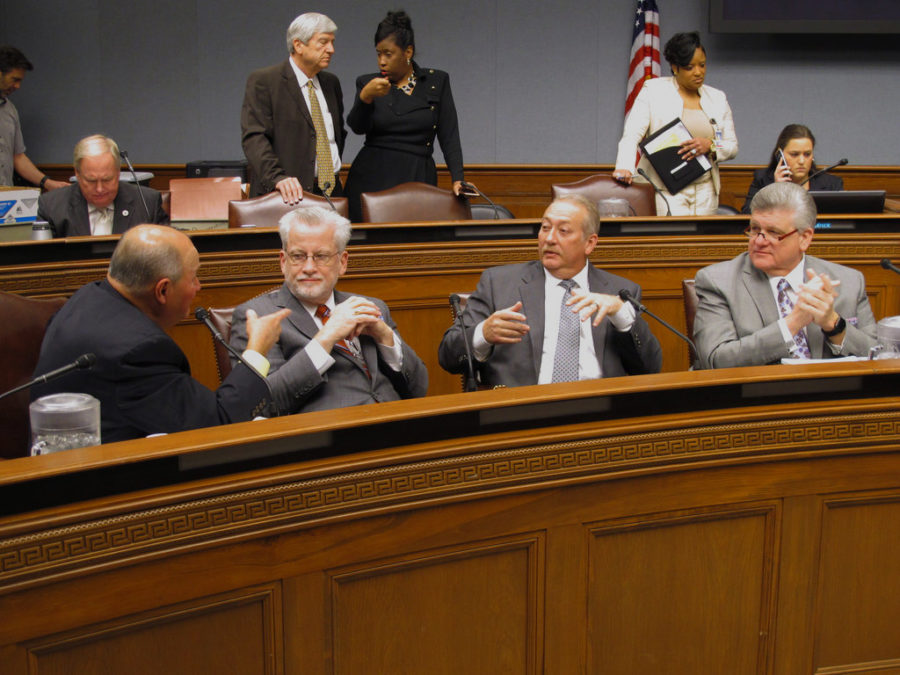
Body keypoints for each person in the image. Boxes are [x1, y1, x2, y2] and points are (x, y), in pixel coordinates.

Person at [31, 225, 291, 443]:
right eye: (193, 278)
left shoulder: (89, 295)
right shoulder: (137, 351)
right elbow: (220, 422)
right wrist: (257, 350)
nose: (199, 287)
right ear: (163, 291)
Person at [438, 195, 662, 387]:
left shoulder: (619, 292)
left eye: (563, 231)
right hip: (522, 412)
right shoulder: (498, 283)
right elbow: (448, 357)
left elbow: (649, 367)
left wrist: (621, 314)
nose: (550, 238)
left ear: (590, 243)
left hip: (599, 414)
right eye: (545, 228)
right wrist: (482, 334)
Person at [229, 205, 428, 414]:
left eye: (321, 256)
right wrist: (325, 338)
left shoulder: (372, 307)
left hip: (396, 426)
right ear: (283, 261)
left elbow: (419, 388)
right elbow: (262, 403)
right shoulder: (258, 316)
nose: (308, 268)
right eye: (298, 256)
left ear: (342, 262)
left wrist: (387, 339)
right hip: (328, 437)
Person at [693, 182, 877, 369]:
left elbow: (879, 356)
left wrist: (834, 325)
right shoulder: (717, 281)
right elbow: (716, 361)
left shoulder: (849, 281)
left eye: (773, 233)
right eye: (755, 229)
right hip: (756, 394)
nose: (759, 241)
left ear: (804, 238)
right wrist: (793, 323)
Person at [343, 10, 468, 222]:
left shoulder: (436, 82)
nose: (381, 61)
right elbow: (357, 126)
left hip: (417, 175)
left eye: (388, 54)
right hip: (372, 176)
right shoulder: (368, 83)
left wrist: (458, 178)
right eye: (378, 53)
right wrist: (365, 98)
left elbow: (449, 134)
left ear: (407, 52)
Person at [613, 32, 738, 216]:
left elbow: (731, 146)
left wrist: (710, 145)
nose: (698, 72)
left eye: (702, 65)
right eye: (689, 67)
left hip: (705, 190)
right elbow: (631, 135)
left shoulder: (717, 98)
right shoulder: (653, 91)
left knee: (701, 243)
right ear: (674, 67)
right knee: (673, 240)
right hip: (665, 188)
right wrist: (624, 167)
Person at [241, 12, 346, 204]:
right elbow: (255, 138)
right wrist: (277, 178)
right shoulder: (265, 81)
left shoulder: (331, 83)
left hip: (330, 192)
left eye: (332, 42)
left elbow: (336, 135)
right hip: (284, 194)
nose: (331, 49)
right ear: (298, 45)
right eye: (323, 42)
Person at [37, 134, 169, 237]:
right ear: (77, 173)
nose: (99, 189)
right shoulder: (52, 207)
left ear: (118, 173)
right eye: (91, 181)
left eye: (107, 180)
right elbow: (41, 262)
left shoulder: (147, 203)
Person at [0, 46, 67, 190]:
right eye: (14, 79)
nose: (17, 86)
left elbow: (18, 157)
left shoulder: (10, 110)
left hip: (6, 200)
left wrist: (48, 183)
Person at [741, 124, 843, 213]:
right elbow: (748, 217)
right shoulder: (762, 180)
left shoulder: (832, 184)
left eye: (807, 154)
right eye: (794, 154)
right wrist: (776, 191)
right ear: (780, 156)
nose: (802, 161)